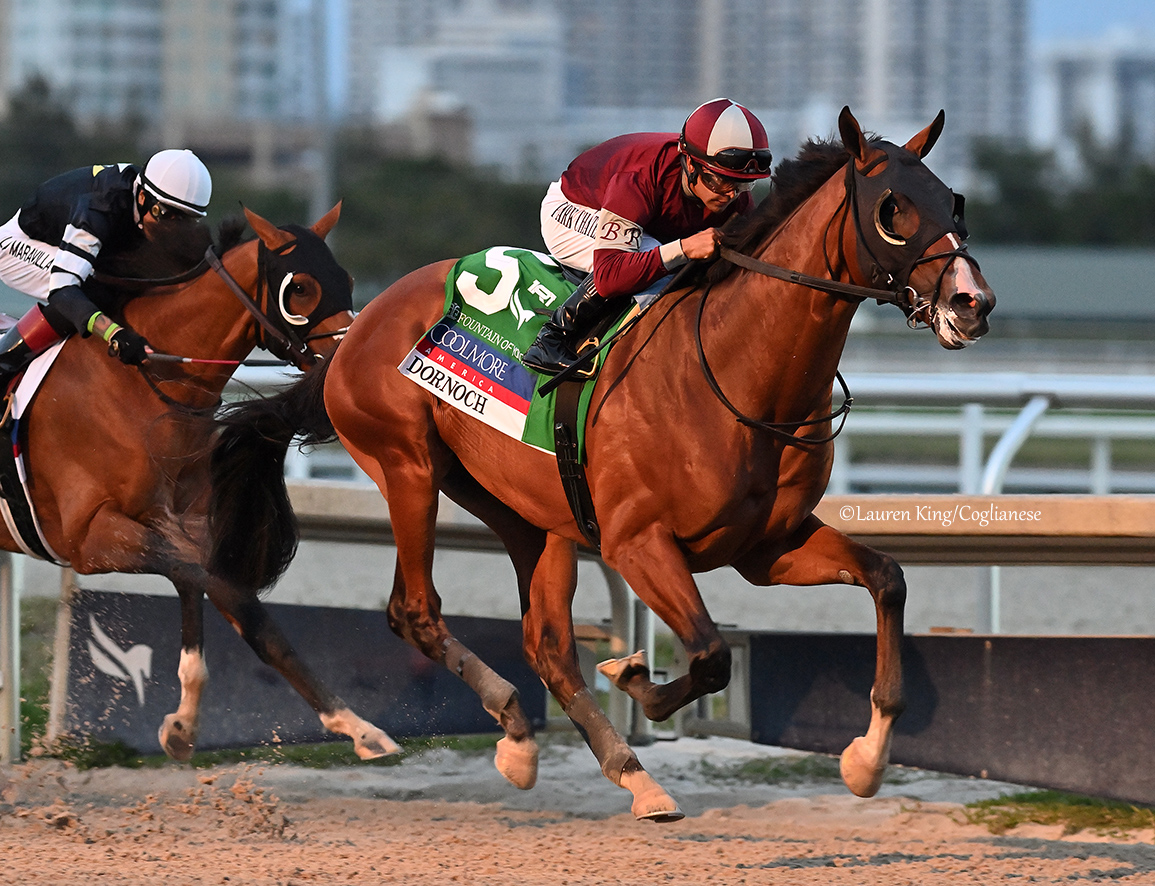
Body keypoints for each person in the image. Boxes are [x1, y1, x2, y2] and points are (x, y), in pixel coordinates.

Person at [523, 98, 773, 375]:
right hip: (571, 208)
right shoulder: (641, 176)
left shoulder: (735, 197)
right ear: (691, 164)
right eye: (721, 180)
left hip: (636, 219)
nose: (731, 194)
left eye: (743, 184)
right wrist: (684, 248)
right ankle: (552, 338)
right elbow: (610, 276)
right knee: (657, 259)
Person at [0, 148, 213, 377]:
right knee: (92, 289)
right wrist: (114, 334)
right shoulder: (101, 206)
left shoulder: (149, 196)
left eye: (184, 220)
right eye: (163, 214)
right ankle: (5, 361)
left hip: (66, 241)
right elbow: (63, 290)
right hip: (17, 244)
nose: (170, 228)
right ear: (143, 197)